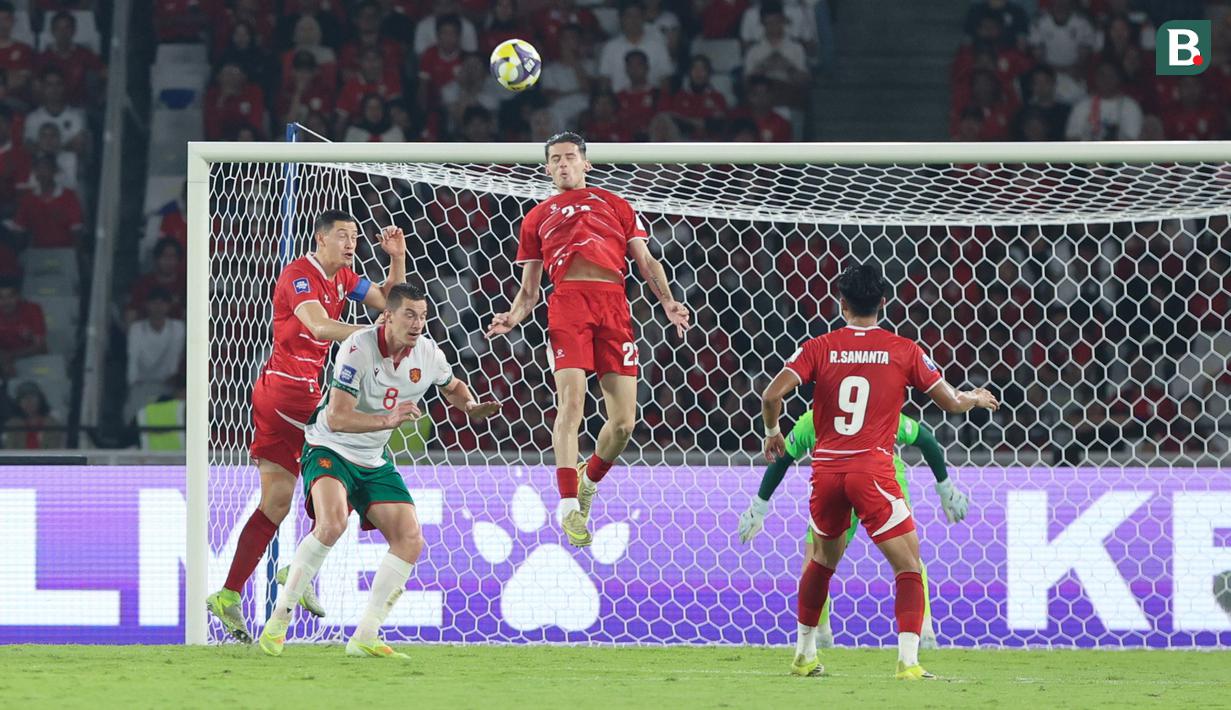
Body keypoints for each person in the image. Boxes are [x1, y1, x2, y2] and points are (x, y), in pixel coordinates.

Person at [759, 262, 997, 679]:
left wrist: (773, 432)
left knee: (820, 562)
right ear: (883, 303)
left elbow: (771, 393)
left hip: (827, 473)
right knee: (908, 565)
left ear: (841, 304)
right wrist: (975, 398)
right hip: (872, 469)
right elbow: (950, 403)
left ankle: (803, 654)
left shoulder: (819, 346)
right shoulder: (903, 349)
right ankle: (908, 663)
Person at [259, 283, 499, 658]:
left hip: (372, 458)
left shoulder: (428, 353)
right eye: (409, 315)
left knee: (409, 537)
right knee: (332, 523)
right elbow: (337, 418)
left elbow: (451, 385)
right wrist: (389, 418)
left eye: (422, 316)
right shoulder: (357, 349)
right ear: (387, 316)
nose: (418, 323)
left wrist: (469, 406)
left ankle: (365, 636)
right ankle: (278, 621)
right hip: (330, 447)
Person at [206, 210, 407, 643]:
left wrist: (397, 258)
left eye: (355, 236)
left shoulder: (346, 277)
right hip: (288, 393)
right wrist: (371, 338)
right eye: (342, 235)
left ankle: (227, 593)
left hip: (287, 395)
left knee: (276, 501)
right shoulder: (299, 274)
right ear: (320, 239)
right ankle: (302, 562)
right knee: (359, 458)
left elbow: (391, 304)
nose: (351, 242)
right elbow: (318, 324)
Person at [486, 132, 690, 546]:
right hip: (568, 306)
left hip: (614, 306)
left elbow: (646, 260)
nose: (563, 164)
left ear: (586, 164)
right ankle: (567, 506)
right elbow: (529, 291)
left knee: (624, 424)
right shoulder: (537, 217)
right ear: (547, 169)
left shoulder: (616, 205)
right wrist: (513, 315)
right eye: (555, 159)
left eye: (570, 157)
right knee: (572, 402)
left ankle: (589, 479)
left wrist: (668, 302)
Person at [737, 409, 970, 648]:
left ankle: (924, 630)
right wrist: (760, 505)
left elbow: (925, 439)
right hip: (842, 485)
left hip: (878, 481)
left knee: (897, 557)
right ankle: (823, 633)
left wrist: (760, 505)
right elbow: (926, 440)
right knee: (824, 561)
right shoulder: (832, 416)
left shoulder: (861, 412)